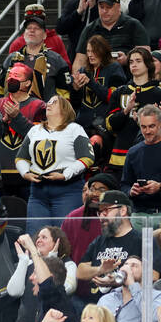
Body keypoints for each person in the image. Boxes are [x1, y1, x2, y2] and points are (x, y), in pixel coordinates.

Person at [16, 95, 94, 227]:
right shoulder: (35, 130)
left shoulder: (74, 129)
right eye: (48, 101)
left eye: (54, 102)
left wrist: (65, 174)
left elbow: (87, 157)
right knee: (37, 235)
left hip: (68, 190)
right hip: (37, 192)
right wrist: (25, 173)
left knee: (64, 235)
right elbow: (21, 158)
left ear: (64, 109)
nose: (49, 104)